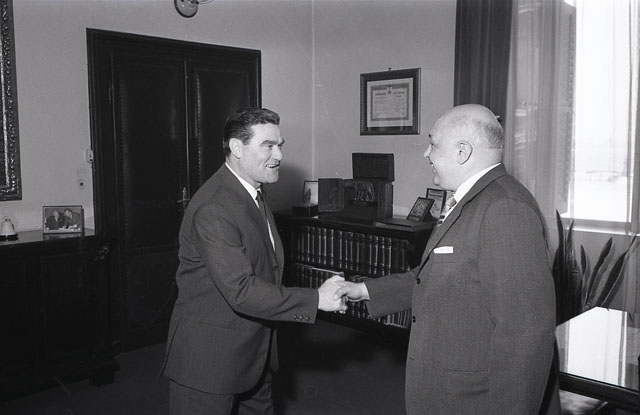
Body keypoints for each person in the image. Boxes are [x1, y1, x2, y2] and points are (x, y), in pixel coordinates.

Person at [336, 104, 559, 414]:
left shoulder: (504, 208)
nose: (426, 153)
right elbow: (436, 276)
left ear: (462, 151)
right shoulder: (474, 200)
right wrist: (362, 290)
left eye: (433, 143)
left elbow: (525, 334)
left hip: (474, 400)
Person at [160, 107, 346, 415]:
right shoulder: (215, 206)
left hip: (254, 356)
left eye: (280, 146)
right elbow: (242, 290)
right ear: (237, 147)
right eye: (268, 146)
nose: (279, 155)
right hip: (210, 363)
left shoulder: (252, 193)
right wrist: (316, 299)